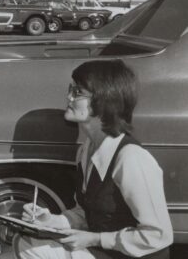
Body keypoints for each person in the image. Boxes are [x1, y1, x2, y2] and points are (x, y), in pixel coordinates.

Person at [13, 60, 173, 259]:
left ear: (104, 100)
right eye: (70, 89)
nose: (68, 97)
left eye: (78, 92)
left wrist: (95, 239)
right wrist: (52, 221)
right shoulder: (87, 149)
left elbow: (158, 236)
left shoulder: (131, 158)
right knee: (22, 242)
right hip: (106, 251)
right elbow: (87, 214)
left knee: (33, 251)